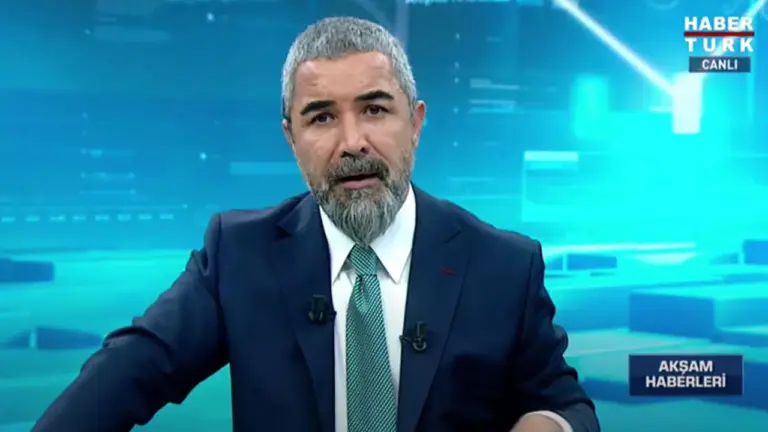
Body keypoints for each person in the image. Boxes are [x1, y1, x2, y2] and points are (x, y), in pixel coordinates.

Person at [33, 16, 599, 432]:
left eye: (375, 109)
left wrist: (546, 426)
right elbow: (132, 368)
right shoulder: (239, 256)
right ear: (291, 138)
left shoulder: (503, 266)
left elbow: (566, 405)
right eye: (322, 117)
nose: (352, 142)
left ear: (416, 122)